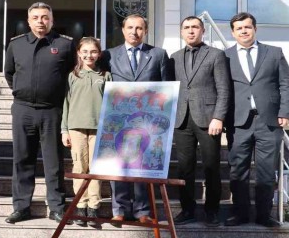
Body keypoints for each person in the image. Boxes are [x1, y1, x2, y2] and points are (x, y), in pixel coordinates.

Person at [3, 2, 75, 224]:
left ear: (52, 20)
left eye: (45, 17)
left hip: (52, 111)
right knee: (22, 160)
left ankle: (57, 207)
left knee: (54, 163)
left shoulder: (64, 44)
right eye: (35, 17)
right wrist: (22, 91)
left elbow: (71, 75)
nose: (40, 21)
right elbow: (9, 73)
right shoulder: (16, 44)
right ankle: (21, 207)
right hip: (23, 110)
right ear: (28, 20)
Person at [224, 12, 289, 227]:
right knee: (238, 171)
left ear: (255, 29)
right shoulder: (225, 56)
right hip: (238, 122)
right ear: (233, 33)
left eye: (247, 27)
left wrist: (285, 112)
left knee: (266, 172)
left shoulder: (274, 53)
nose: (244, 31)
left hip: (269, 121)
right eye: (239, 28)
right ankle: (240, 214)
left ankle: (264, 215)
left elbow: (285, 84)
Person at [103, 14, 169, 225]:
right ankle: (119, 209)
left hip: (147, 120)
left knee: (143, 163)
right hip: (119, 119)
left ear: (145, 31)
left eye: (139, 28)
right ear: (123, 30)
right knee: (118, 164)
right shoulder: (109, 55)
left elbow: (166, 87)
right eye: (130, 27)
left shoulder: (158, 55)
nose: (134, 32)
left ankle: (143, 211)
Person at [169, 16, 231, 227]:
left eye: (195, 27)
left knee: (211, 167)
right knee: (184, 168)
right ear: (181, 32)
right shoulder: (174, 57)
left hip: (208, 119)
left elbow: (223, 89)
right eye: (186, 27)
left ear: (203, 30)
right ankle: (187, 210)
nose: (191, 31)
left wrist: (218, 117)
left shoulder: (216, 55)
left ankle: (211, 210)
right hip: (182, 119)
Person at [61, 37, 112, 227]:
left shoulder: (105, 75)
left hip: (99, 127)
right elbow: (66, 103)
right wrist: (64, 130)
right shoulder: (72, 76)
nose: (89, 55)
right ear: (79, 53)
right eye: (85, 51)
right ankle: (80, 205)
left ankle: (93, 206)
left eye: (93, 51)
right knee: (79, 166)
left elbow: (111, 103)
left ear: (99, 54)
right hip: (76, 127)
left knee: (96, 168)